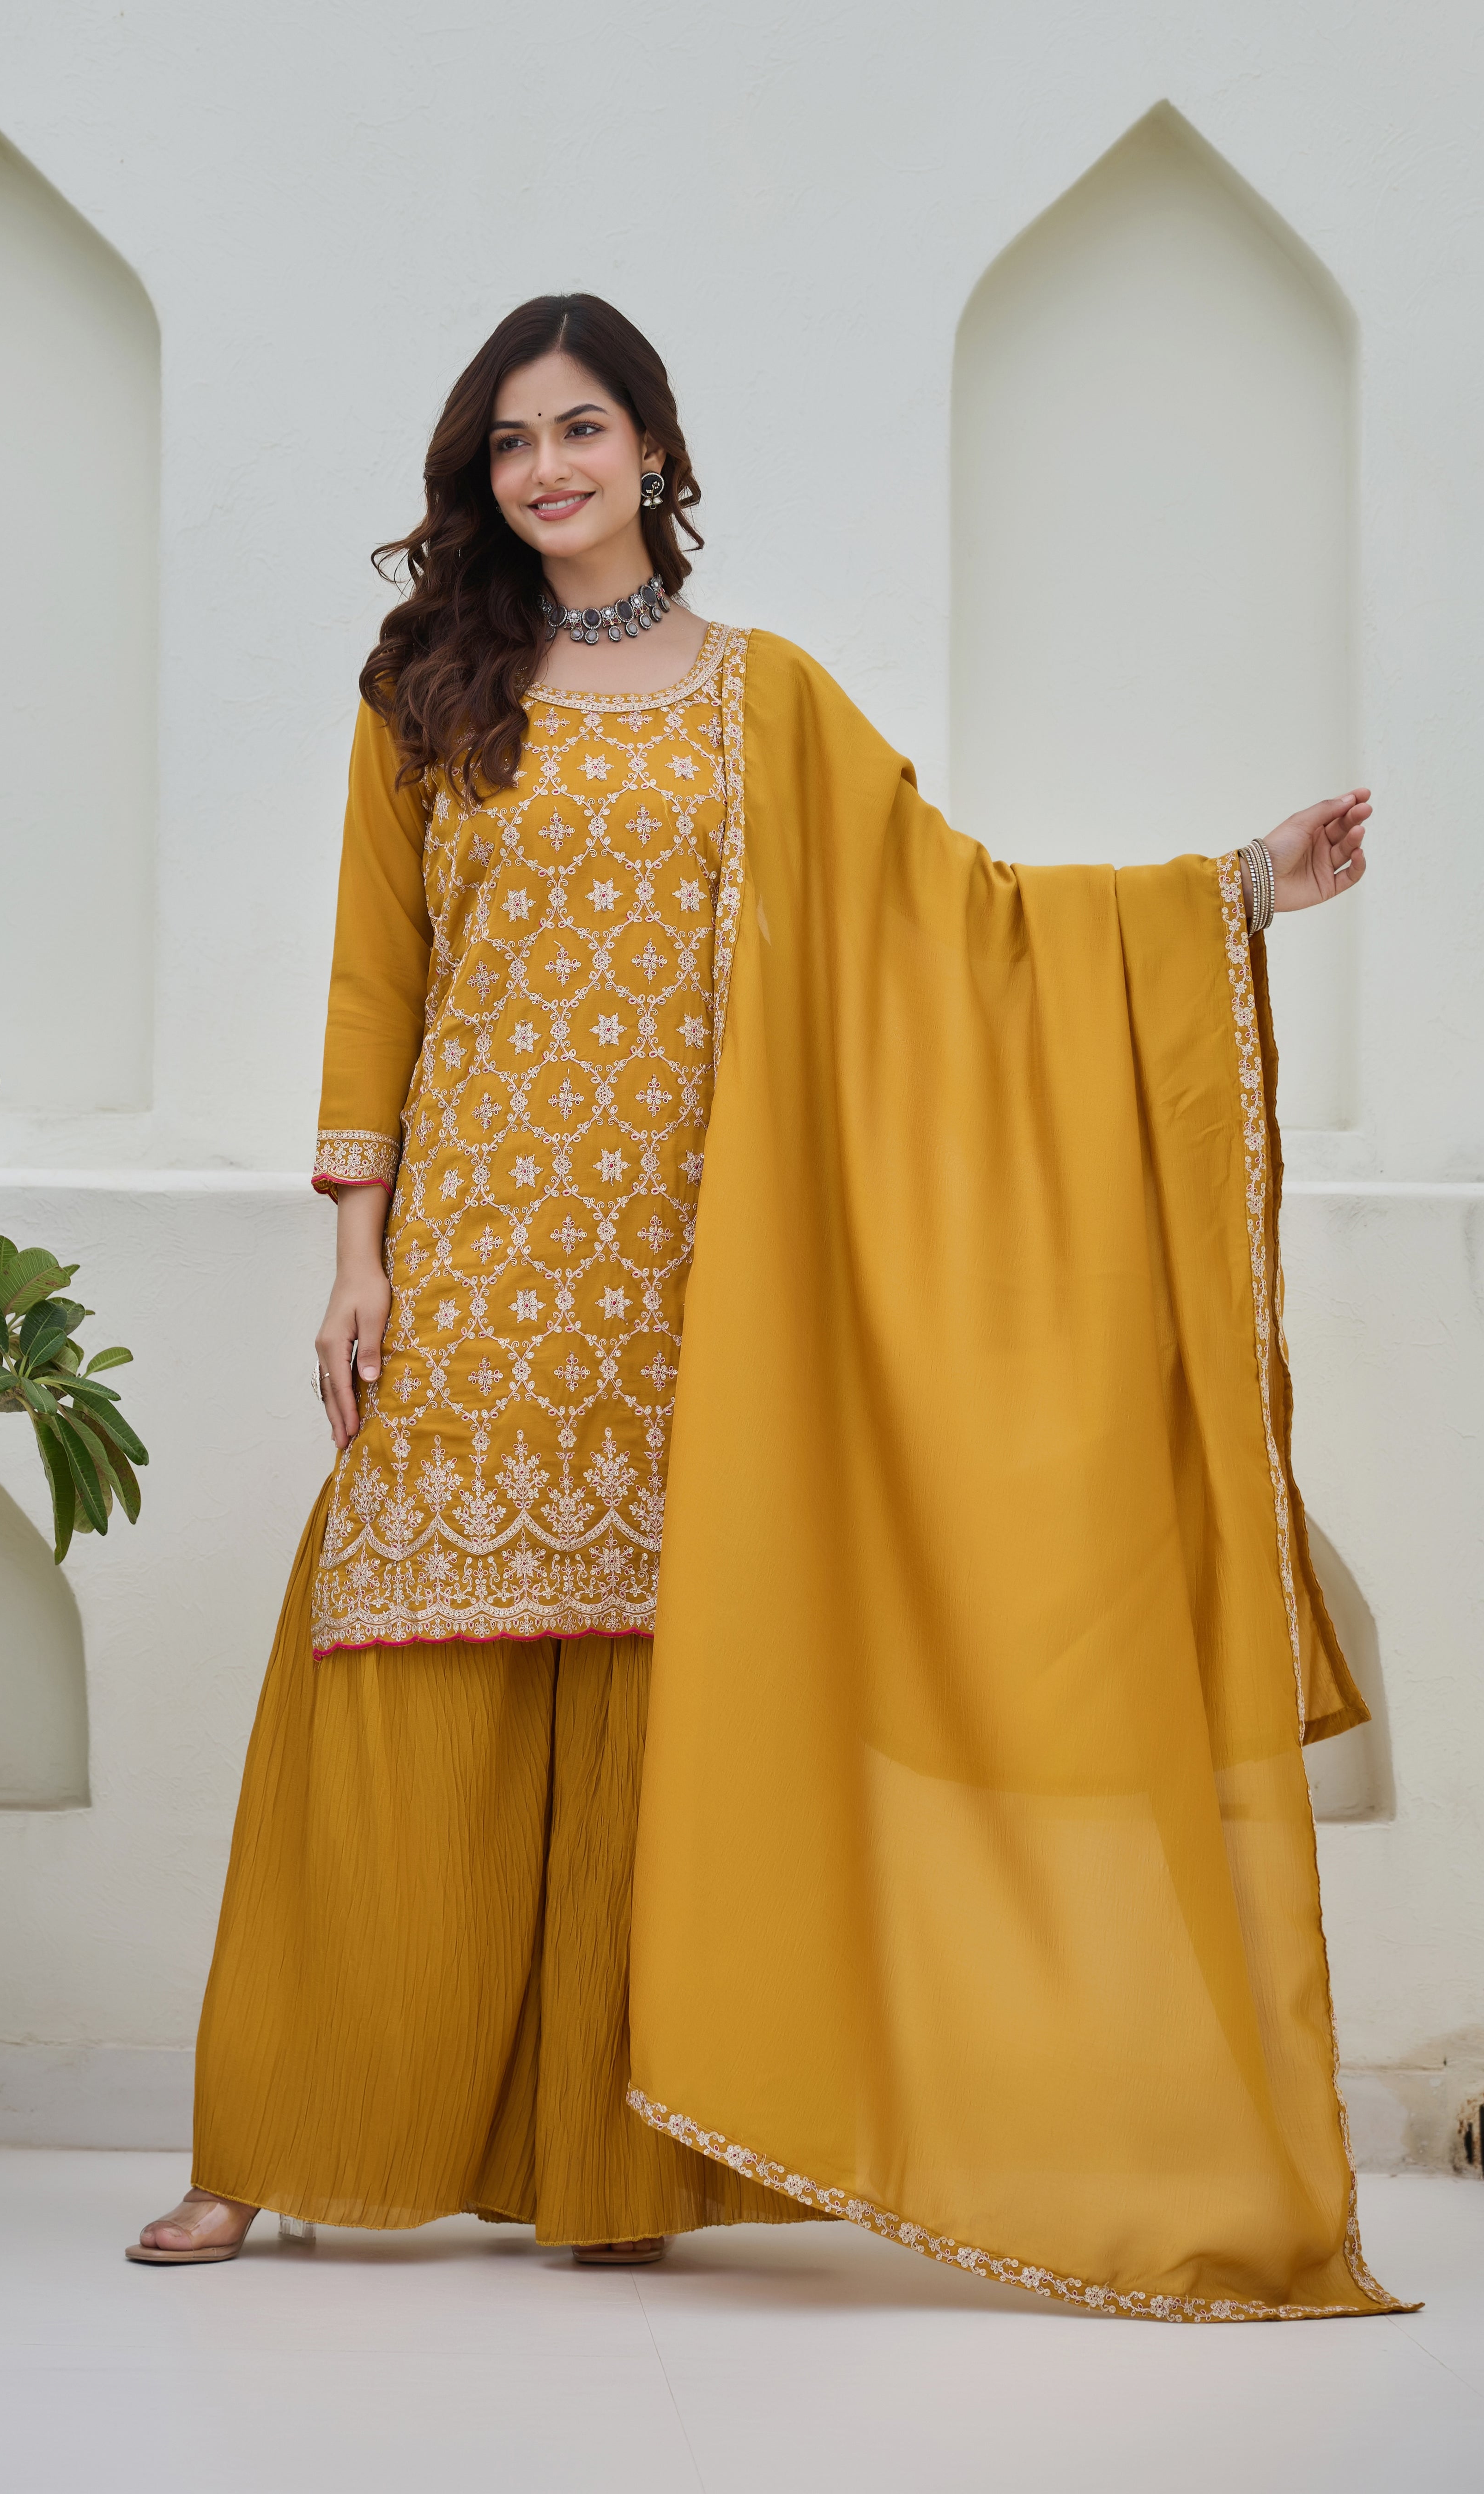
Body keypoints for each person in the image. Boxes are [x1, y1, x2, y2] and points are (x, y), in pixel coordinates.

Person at [131, 295, 1405, 2318]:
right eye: (511, 445)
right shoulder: (432, 691)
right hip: (484, 1258)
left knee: (665, 1678)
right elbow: (379, 980)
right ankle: (269, 2150)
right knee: (394, 1654)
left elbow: (966, 929)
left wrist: (1230, 891)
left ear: (655, 450)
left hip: (702, 1271)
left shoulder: (774, 701)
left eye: (582, 430)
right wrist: (358, 1255)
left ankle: (619, 2156)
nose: (545, 471)